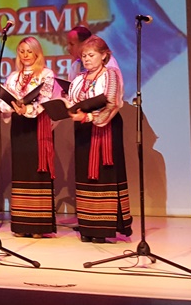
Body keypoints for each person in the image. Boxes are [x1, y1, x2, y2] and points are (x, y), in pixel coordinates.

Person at [67, 35, 132, 243]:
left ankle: (104, 228)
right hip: (83, 130)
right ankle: (88, 226)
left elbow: (112, 102)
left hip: (105, 128)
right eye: (84, 56)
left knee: (104, 173)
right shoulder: (79, 79)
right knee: (85, 173)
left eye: (91, 55)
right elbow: (73, 101)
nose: (86, 59)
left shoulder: (110, 75)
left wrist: (89, 117)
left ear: (104, 56)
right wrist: (69, 109)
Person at [0, 36, 57, 238]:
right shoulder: (13, 76)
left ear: (37, 53)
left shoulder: (46, 74)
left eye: (29, 51)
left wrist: (28, 109)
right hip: (19, 126)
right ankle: (22, 224)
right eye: (21, 51)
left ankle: (38, 225)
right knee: (21, 171)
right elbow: (3, 102)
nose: (25, 55)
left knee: (37, 171)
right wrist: (13, 106)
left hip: (37, 126)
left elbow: (46, 100)